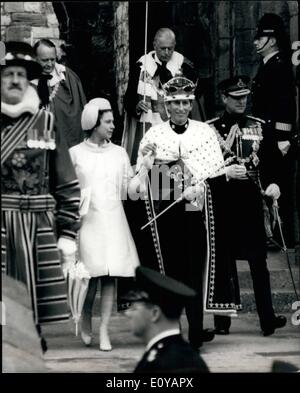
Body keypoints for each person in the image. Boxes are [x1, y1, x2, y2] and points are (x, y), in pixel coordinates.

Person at [126, 76, 241, 350]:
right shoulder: (154, 134)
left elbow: (213, 173)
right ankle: (171, 330)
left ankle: (196, 330)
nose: (180, 108)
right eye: (175, 103)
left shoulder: (204, 133)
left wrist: (199, 189)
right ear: (166, 105)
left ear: (191, 105)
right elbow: (144, 183)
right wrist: (149, 164)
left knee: (193, 269)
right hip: (166, 215)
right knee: (170, 271)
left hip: (196, 213)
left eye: (185, 103)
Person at [1, 41, 81, 347]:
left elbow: (66, 180)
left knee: (32, 286)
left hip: (38, 221)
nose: (15, 80)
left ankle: (32, 333)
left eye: (21, 74)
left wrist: (68, 232)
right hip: (1, 218)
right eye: (8, 74)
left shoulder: (46, 122)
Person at [207, 75, 287, 336]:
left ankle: (267, 318)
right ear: (223, 98)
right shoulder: (210, 129)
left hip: (252, 201)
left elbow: (274, 162)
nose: (242, 102)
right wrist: (225, 174)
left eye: (244, 97)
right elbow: (203, 168)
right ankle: (223, 318)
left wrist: (275, 183)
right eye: (236, 98)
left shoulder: (260, 126)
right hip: (223, 201)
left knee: (258, 262)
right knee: (223, 261)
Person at [69, 98, 140, 351]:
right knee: (91, 276)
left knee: (111, 276)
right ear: (94, 123)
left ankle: (104, 330)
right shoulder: (75, 154)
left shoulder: (119, 153)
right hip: (88, 222)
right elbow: (68, 190)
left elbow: (129, 191)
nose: (112, 126)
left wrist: (143, 172)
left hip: (113, 221)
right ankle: (86, 316)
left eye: (112, 122)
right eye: (108, 122)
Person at [123, 27, 206, 164]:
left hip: (178, 127)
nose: (167, 52)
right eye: (162, 48)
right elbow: (128, 99)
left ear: (174, 46)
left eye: (170, 48)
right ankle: (156, 184)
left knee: (178, 174)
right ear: (154, 44)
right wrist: (137, 106)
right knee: (157, 174)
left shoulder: (185, 66)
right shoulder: (141, 66)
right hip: (150, 127)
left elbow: (196, 98)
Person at [252, 13, 297, 248]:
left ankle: (284, 237)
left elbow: (285, 103)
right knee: (270, 183)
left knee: (280, 187)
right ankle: (277, 235)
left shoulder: (279, 66)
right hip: (266, 135)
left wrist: (283, 137)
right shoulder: (268, 65)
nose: (256, 42)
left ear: (272, 40)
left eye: (260, 38)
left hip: (276, 138)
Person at [123, 266, 209, 373]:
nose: (127, 313)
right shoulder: (168, 355)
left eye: (134, 308)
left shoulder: (173, 364)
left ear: (155, 313)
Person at [32, 39, 87, 148]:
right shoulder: (26, 80)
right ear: (35, 59)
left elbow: (80, 109)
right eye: (45, 60)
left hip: (66, 142)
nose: (49, 64)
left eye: (52, 59)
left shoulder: (67, 77)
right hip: (37, 141)